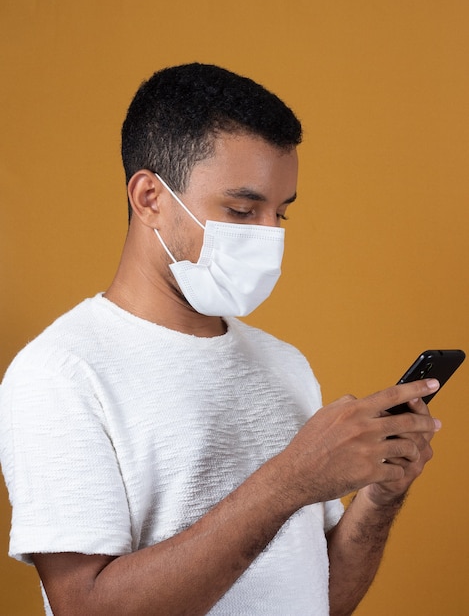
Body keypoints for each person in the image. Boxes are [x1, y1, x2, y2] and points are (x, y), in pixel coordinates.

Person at [0, 63, 440, 616]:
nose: (269, 237)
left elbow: (318, 599)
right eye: (240, 210)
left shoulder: (284, 364)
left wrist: (380, 495)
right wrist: (289, 481)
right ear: (149, 198)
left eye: (280, 213)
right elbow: (85, 608)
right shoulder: (61, 371)